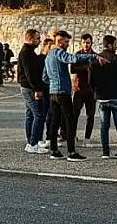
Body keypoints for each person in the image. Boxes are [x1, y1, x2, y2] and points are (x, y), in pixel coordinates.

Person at [43, 30, 105, 161]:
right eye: (66, 42)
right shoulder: (59, 52)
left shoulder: (48, 55)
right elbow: (73, 58)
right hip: (62, 93)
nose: (67, 44)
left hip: (52, 92)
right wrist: (92, 56)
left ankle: (54, 150)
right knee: (69, 121)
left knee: (55, 121)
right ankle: (71, 152)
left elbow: (44, 76)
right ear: (59, 41)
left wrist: (53, 82)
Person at [91, 35, 117, 159]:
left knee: (104, 125)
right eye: (115, 44)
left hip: (102, 98)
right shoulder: (116, 59)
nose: (116, 47)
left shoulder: (96, 60)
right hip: (116, 97)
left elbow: (91, 79)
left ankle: (105, 152)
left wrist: (95, 93)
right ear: (109, 45)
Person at [16, 29, 49, 154]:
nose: (39, 41)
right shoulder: (26, 53)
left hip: (27, 87)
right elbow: (31, 74)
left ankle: (31, 141)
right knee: (39, 115)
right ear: (30, 39)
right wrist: (38, 89)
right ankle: (33, 143)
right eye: (37, 39)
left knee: (30, 115)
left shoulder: (29, 52)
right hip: (29, 88)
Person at [71, 34, 98, 148]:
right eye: (84, 42)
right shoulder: (77, 55)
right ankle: (72, 136)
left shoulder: (95, 56)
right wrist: (85, 67)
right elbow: (72, 69)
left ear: (91, 43)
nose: (86, 45)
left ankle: (87, 138)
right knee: (74, 114)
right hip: (79, 89)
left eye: (88, 42)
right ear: (81, 43)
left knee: (90, 116)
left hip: (91, 91)